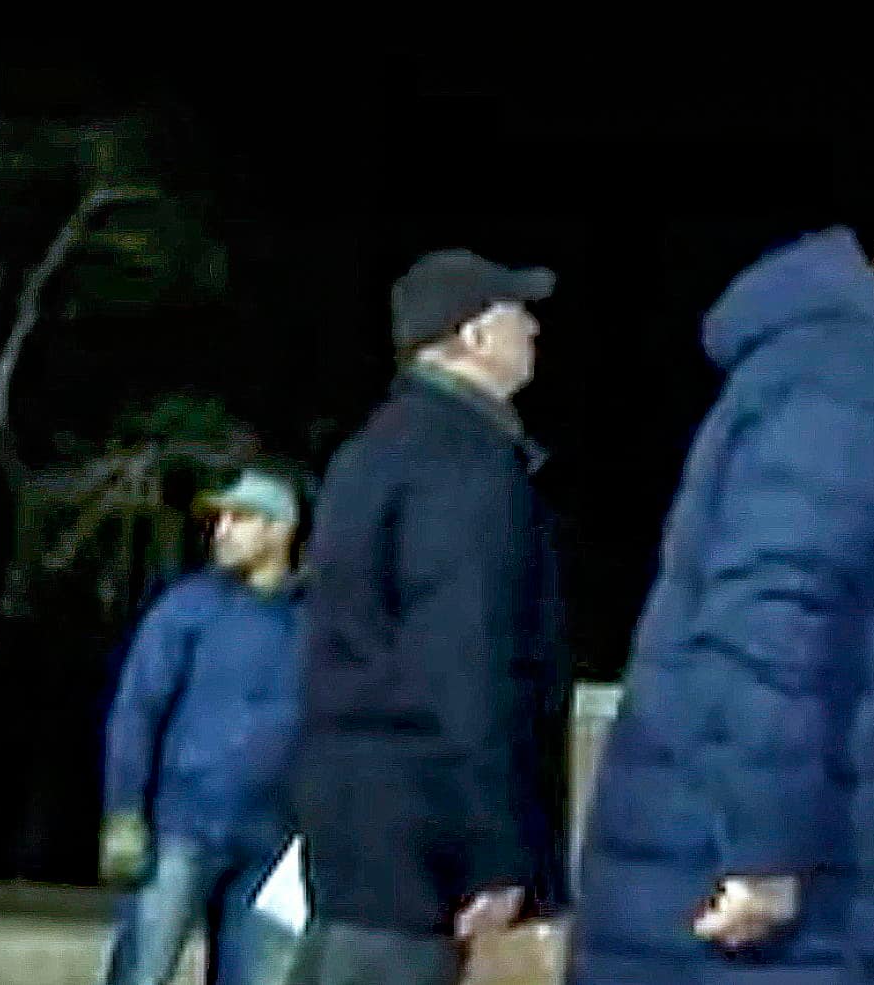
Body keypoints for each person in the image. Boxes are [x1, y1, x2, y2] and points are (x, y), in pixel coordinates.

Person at [569, 185, 874, 985]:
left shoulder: (863, 383)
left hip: (829, 896)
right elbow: (769, 614)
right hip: (793, 912)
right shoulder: (852, 384)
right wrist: (766, 847)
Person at [291, 251, 568, 985]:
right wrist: (497, 849)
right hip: (421, 840)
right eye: (517, 312)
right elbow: (464, 664)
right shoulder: (466, 463)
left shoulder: (372, 450)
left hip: (355, 827)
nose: (533, 327)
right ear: (474, 335)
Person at [96, 467, 311, 985]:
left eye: (240, 519)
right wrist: (124, 810)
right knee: (142, 970)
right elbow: (137, 708)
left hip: (273, 839)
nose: (222, 531)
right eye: (219, 520)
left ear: (279, 530)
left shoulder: (315, 619)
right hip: (183, 827)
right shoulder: (188, 608)